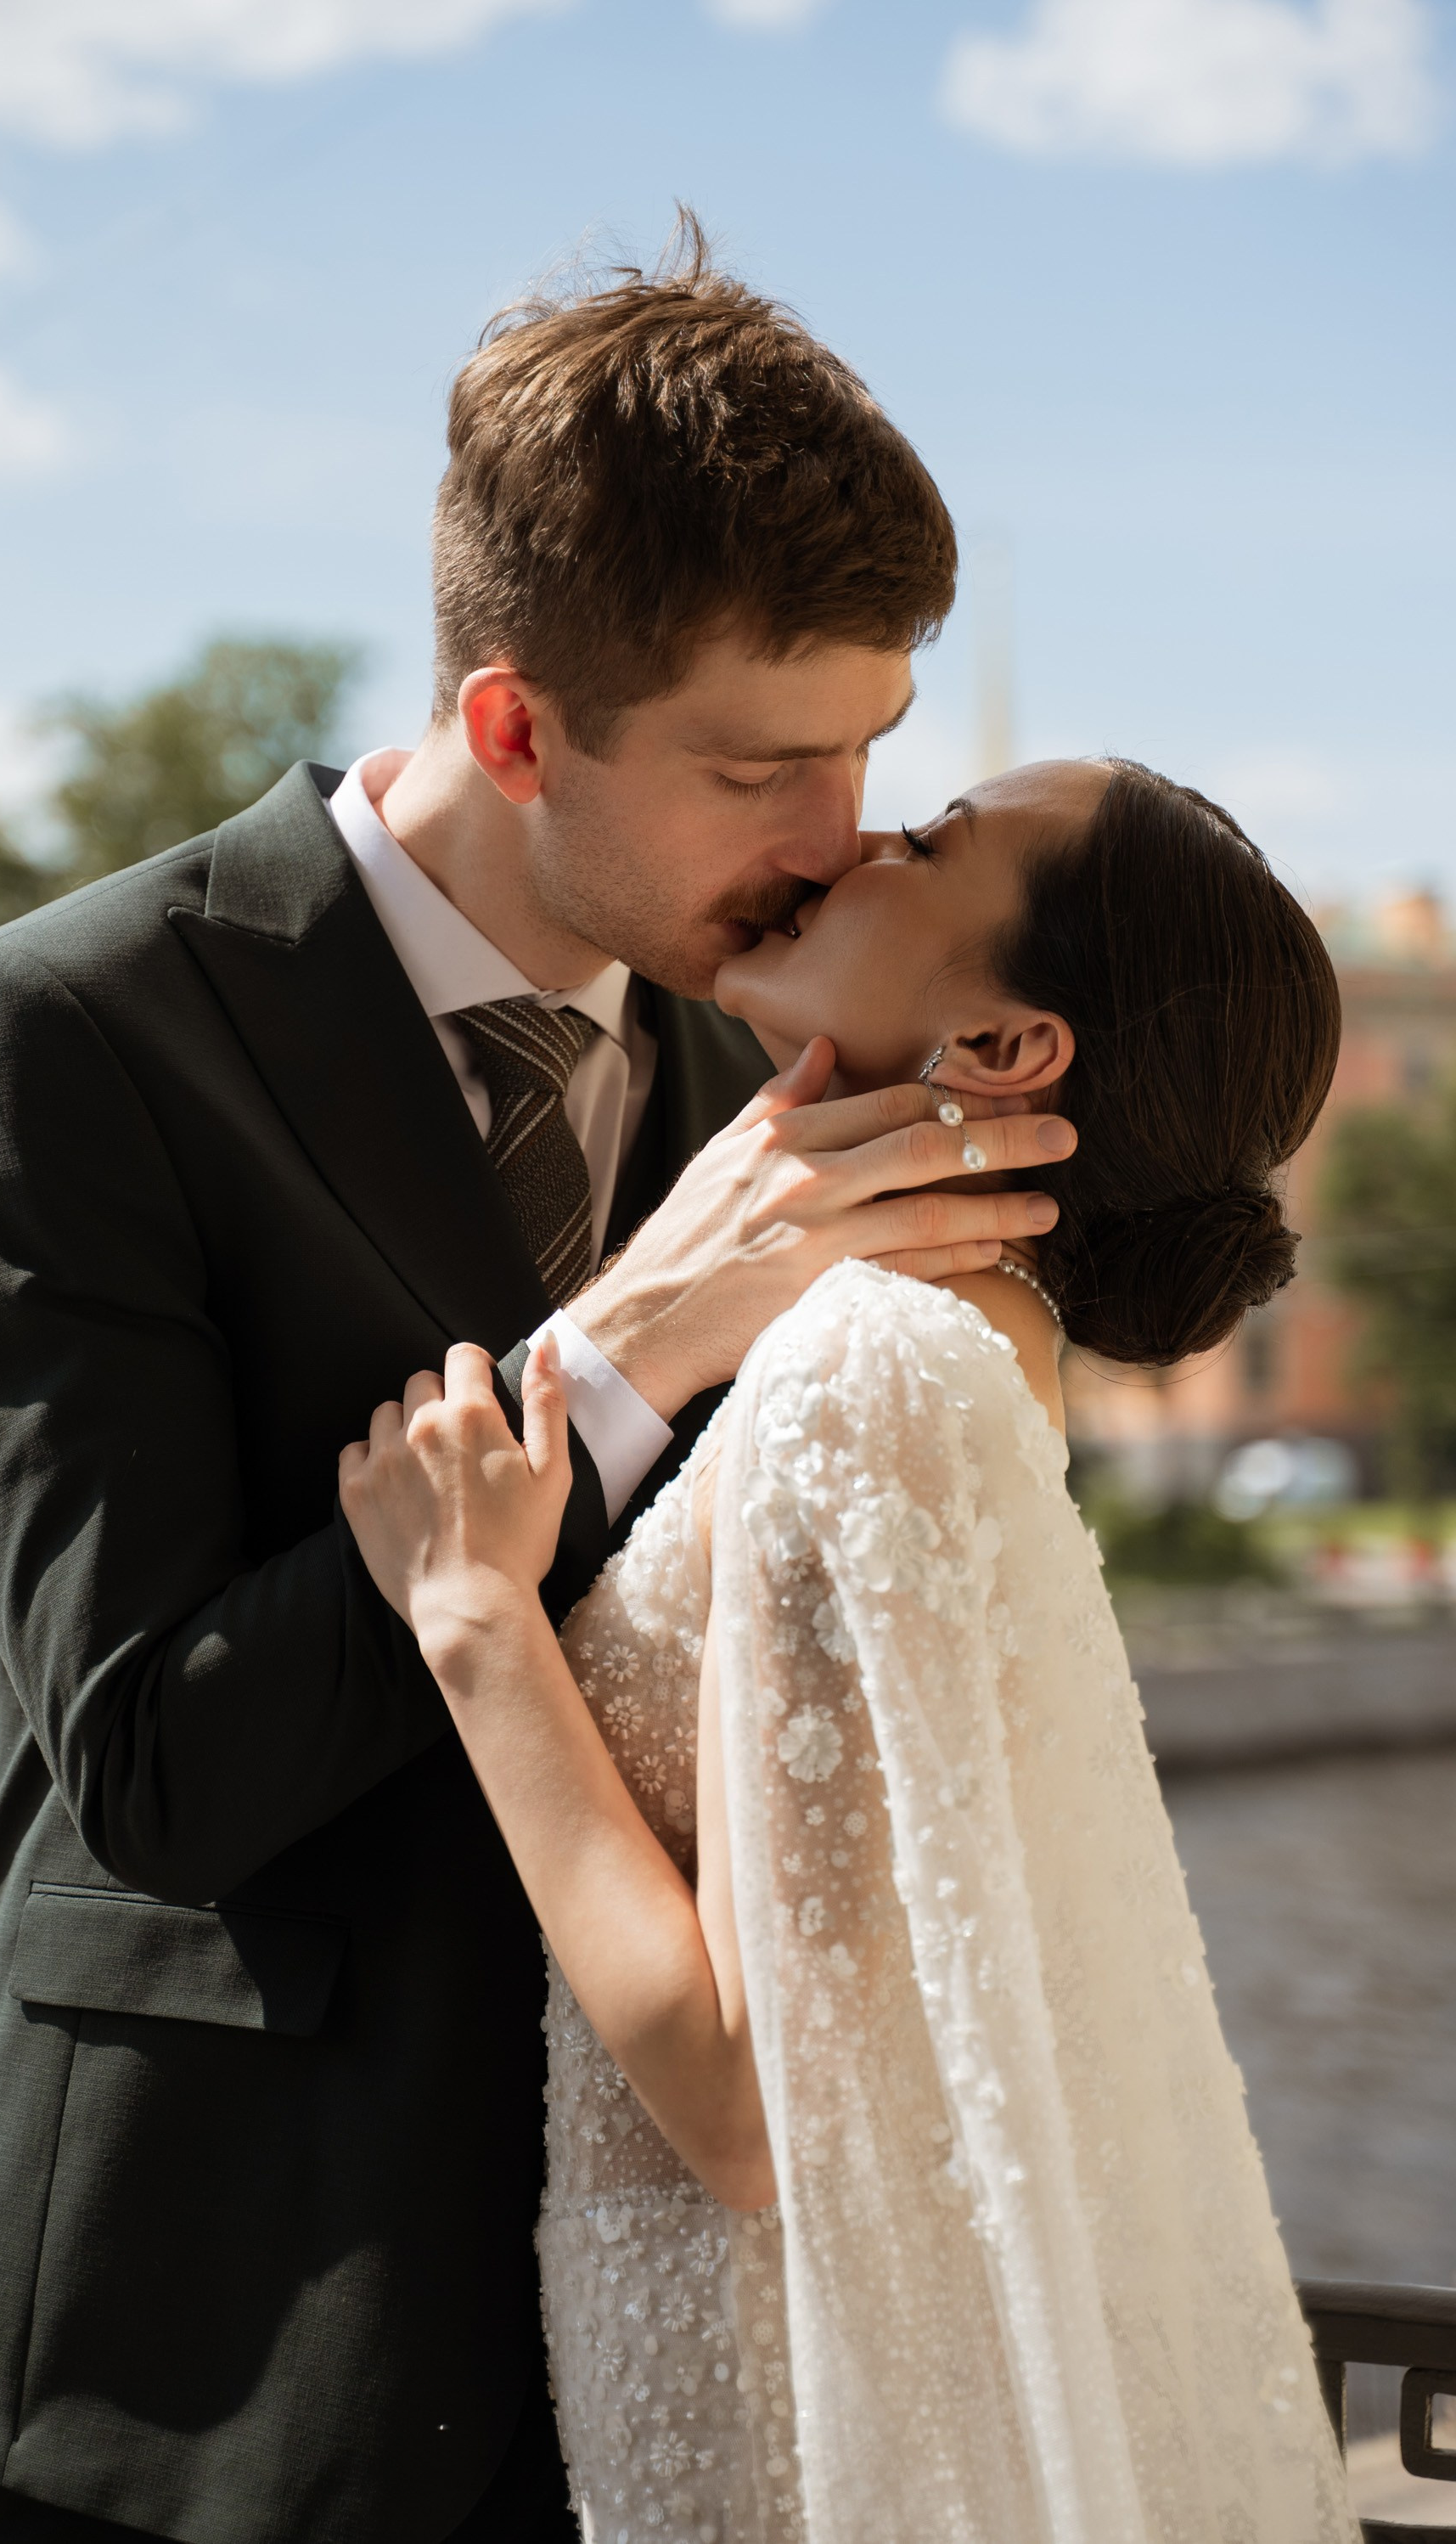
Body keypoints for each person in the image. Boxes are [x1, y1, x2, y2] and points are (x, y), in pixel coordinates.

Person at [0, 228, 1065, 2544]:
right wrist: (619, 1355)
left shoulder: (768, 1075)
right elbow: (153, 1764)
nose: (840, 838)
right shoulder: (66, 1030)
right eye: (760, 766)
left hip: (625, 2403)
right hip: (157, 2394)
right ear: (514, 724)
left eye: (868, 753)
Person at [340, 758, 1363, 2542]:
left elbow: (746, 2105)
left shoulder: (868, 1370)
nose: (867, 832)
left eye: (941, 840)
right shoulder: (958, 1351)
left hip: (764, 2403)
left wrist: (478, 1618)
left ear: (1003, 1046)